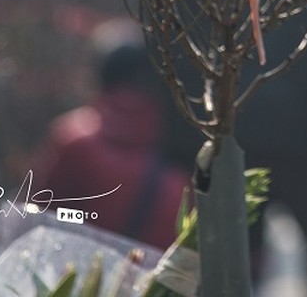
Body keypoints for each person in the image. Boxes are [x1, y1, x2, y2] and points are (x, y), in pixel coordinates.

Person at [32, 25, 191, 251]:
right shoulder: (177, 171)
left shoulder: (73, 140)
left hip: (74, 278)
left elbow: (43, 214)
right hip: (147, 283)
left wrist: (87, 222)